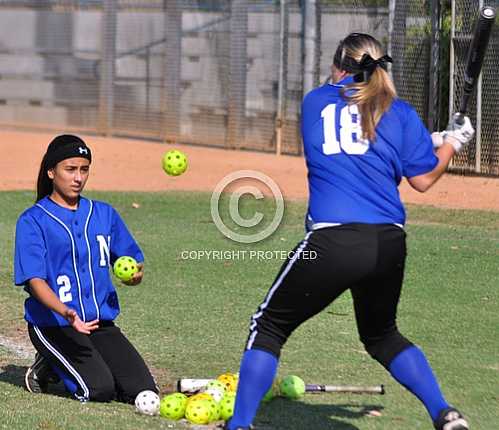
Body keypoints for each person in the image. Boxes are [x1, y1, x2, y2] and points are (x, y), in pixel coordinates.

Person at [226, 33, 474, 430]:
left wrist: (438, 141)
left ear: (340, 66)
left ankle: (239, 425)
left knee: (268, 325)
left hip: (334, 240)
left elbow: (352, 140)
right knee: (381, 336)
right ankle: (445, 413)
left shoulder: (314, 102)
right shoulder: (400, 112)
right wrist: (451, 143)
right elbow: (422, 177)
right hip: (389, 242)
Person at [14, 134, 158, 403]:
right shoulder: (33, 220)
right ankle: (46, 366)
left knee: (142, 391)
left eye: (84, 169)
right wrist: (66, 312)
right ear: (51, 172)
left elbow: (130, 260)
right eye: (70, 169)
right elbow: (34, 280)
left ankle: (80, 361)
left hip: (98, 324)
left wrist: (135, 275)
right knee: (98, 390)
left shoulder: (103, 213)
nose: (78, 177)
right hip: (54, 322)